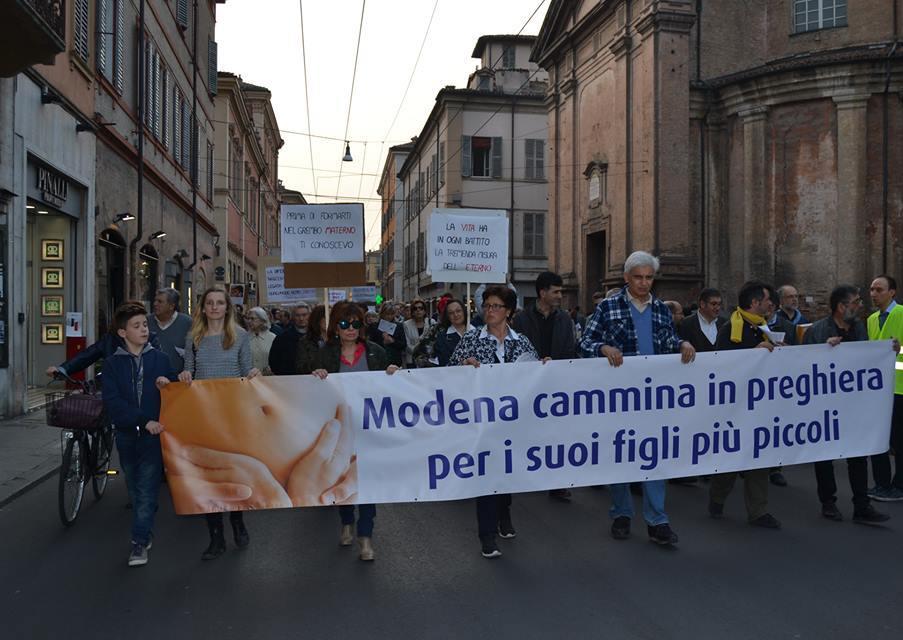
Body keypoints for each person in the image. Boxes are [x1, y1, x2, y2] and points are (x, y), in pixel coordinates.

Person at [579, 251, 695, 546]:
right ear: (627, 278)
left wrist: (681, 342)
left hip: (654, 396)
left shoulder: (660, 309)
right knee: (621, 455)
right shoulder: (607, 308)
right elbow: (585, 342)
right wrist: (603, 348)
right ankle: (621, 513)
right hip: (619, 397)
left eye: (649, 277)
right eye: (639, 277)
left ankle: (658, 521)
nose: (644, 283)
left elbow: (667, 340)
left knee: (654, 455)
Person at [449, 285, 542, 559]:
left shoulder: (521, 341)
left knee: (506, 472)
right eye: (487, 306)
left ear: (509, 311)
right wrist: (463, 366)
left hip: (512, 422)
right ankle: (486, 534)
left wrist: (545, 367)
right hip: (482, 421)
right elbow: (450, 371)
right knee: (486, 475)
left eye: (496, 306)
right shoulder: (471, 339)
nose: (489, 311)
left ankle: (504, 513)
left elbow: (535, 375)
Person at [311, 301, 399, 561]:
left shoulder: (376, 352)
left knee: (366, 483)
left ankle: (365, 537)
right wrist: (315, 375)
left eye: (356, 324)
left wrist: (392, 374)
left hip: (369, 429)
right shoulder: (325, 353)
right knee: (342, 480)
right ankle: (346, 520)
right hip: (340, 431)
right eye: (344, 324)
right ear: (335, 328)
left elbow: (388, 389)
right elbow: (309, 389)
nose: (350, 329)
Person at [179, 287, 260, 560]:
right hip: (203, 415)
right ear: (202, 308)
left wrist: (253, 373)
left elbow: (246, 369)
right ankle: (216, 537)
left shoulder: (239, 337)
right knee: (208, 476)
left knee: (232, 473)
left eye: (219, 303)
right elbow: (189, 369)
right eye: (209, 303)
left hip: (233, 415)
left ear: (227, 308)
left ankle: (237, 520)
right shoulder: (194, 337)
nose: (214, 307)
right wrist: (185, 374)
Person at [804, 285, 890, 523]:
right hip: (825, 404)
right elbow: (803, 367)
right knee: (824, 455)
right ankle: (828, 502)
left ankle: (861, 505)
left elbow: (867, 359)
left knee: (858, 454)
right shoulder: (819, 330)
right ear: (842, 307)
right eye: (855, 302)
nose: (860, 305)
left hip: (853, 405)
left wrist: (888, 351)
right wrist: (824, 351)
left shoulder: (859, 327)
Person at [102, 301, 177, 567]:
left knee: (146, 490)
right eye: (137, 326)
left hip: (153, 437)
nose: (144, 329)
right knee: (134, 489)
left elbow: (176, 391)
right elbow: (113, 402)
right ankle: (145, 525)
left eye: (145, 324)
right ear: (123, 333)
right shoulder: (112, 365)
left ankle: (139, 542)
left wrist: (169, 384)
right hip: (126, 435)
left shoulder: (160, 359)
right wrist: (141, 420)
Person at [709, 281, 782, 529]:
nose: (769, 303)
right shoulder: (730, 329)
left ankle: (758, 511)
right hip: (735, 408)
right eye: (765, 299)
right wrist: (755, 351)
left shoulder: (766, 328)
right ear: (754, 303)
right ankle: (717, 497)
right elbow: (723, 367)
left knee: (758, 459)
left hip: (761, 405)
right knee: (732, 458)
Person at [513, 271, 577, 502]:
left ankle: (557, 482)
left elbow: (570, 350)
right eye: (556, 291)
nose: (560, 295)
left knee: (556, 434)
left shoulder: (565, 319)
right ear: (543, 292)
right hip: (529, 385)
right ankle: (525, 472)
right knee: (529, 431)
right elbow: (517, 351)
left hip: (556, 385)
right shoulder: (521, 319)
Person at [867, 274, 903, 502]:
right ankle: (881, 484)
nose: (873, 294)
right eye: (871, 289)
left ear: (892, 292)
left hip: (900, 389)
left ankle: (899, 486)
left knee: (899, 442)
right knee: (877, 438)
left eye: (879, 290)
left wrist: (899, 353)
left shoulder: (901, 314)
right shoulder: (870, 319)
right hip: (878, 391)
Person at [146, 288, 192, 373]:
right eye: (155, 300)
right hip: (151, 377)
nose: (155, 304)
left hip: (178, 379)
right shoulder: (146, 322)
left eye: (160, 302)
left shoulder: (187, 323)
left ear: (171, 306)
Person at [268, 303, 312, 375]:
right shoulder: (282, 338)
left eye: (304, 315)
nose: (301, 318)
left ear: (309, 316)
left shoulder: (316, 337)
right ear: (293, 317)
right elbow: (274, 362)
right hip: (289, 380)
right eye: (298, 315)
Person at [678, 288, 725, 352]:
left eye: (719, 304)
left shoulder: (724, 323)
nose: (718, 308)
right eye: (713, 304)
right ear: (702, 304)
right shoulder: (686, 324)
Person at [434, 299, 473, 367]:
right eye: (451, 313)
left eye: (458, 311)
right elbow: (443, 362)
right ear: (448, 316)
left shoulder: (479, 333)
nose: (455, 315)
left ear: (464, 311)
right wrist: (462, 362)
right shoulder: (442, 338)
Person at [369, 302, 406, 368]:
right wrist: (382, 341)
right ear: (382, 313)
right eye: (387, 314)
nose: (389, 316)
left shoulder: (399, 326)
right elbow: (371, 344)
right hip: (379, 361)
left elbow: (403, 344)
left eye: (391, 314)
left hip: (395, 361)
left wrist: (393, 341)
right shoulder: (374, 326)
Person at [294, 304, 327, 375]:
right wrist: (315, 368)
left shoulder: (338, 339)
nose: (328, 320)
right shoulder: (305, 341)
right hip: (313, 381)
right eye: (325, 317)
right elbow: (300, 367)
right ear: (317, 319)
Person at [403, 298, 435, 367]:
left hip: (428, 360)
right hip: (412, 360)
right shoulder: (406, 324)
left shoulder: (431, 322)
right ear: (412, 312)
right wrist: (417, 351)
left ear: (424, 311)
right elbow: (407, 345)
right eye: (415, 308)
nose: (418, 310)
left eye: (421, 308)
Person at [244, 307, 275, 375]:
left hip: (268, 378)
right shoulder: (243, 338)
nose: (249, 321)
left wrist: (272, 368)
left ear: (262, 320)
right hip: (248, 378)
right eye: (248, 318)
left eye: (252, 319)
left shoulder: (273, 338)